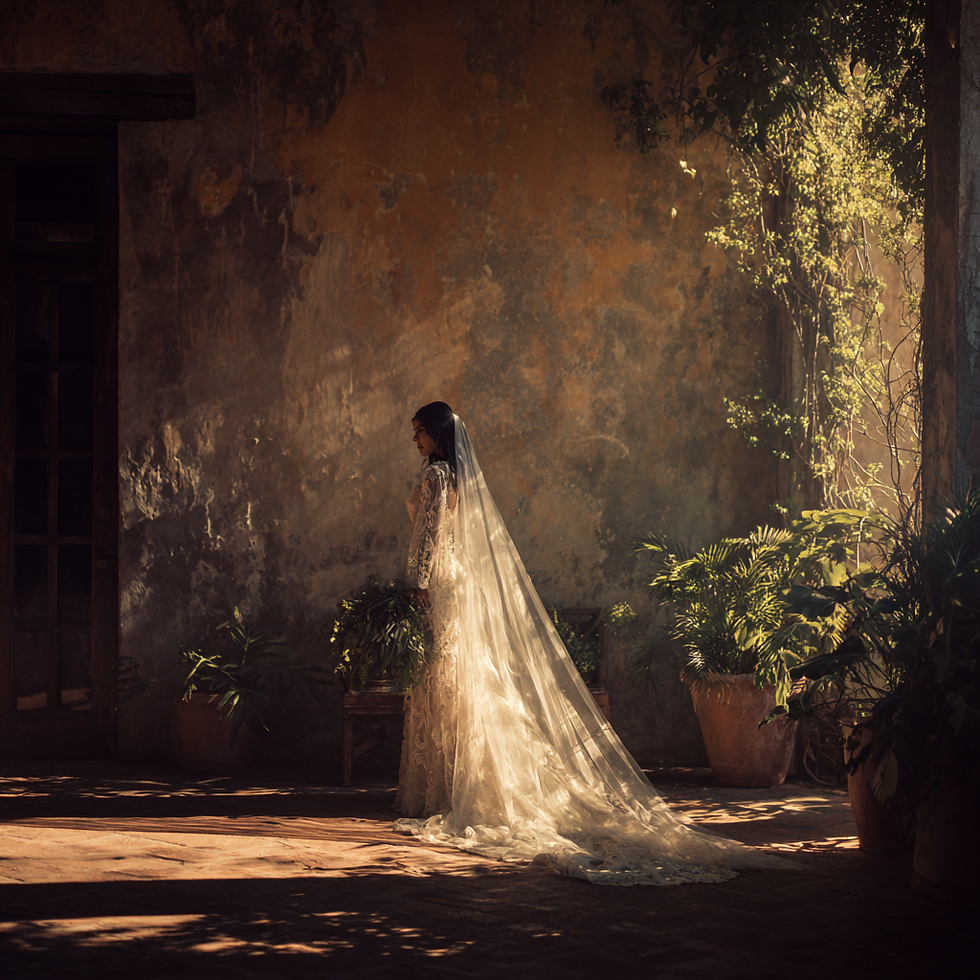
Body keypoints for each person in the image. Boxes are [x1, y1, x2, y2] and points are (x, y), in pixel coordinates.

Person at [395, 401, 786, 885]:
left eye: (418, 432)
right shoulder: (461, 479)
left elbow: (429, 536)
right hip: (460, 583)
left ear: (436, 434)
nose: (414, 440)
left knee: (445, 675)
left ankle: (445, 791)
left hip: (440, 585)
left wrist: (416, 584)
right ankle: (453, 787)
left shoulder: (436, 475)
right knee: (457, 676)